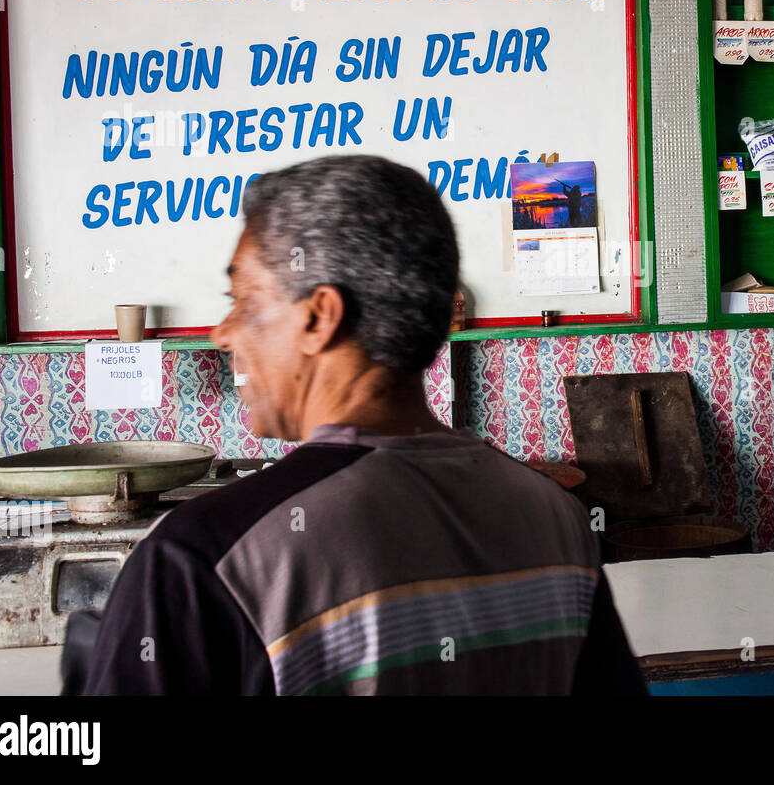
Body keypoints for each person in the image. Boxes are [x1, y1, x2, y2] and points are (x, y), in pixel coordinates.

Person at [73, 155, 645, 695]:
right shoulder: (555, 517)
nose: (223, 333)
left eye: (243, 300)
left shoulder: (205, 556)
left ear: (319, 317)